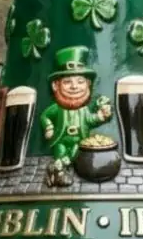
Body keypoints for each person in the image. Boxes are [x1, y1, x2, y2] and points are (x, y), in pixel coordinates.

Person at [40, 47, 112, 185]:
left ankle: (58, 171)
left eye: (80, 82)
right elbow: (45, 115)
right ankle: (57, 172)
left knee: (74, 154)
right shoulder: (57, 108)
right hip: (60, 139)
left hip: (79, 140)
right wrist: (48, 127)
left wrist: (101, 116)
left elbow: (90, 120)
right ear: (56, 85)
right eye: (67, 82)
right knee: (60, 153)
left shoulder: (84, 110)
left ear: (88, 84)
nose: (74, 87)